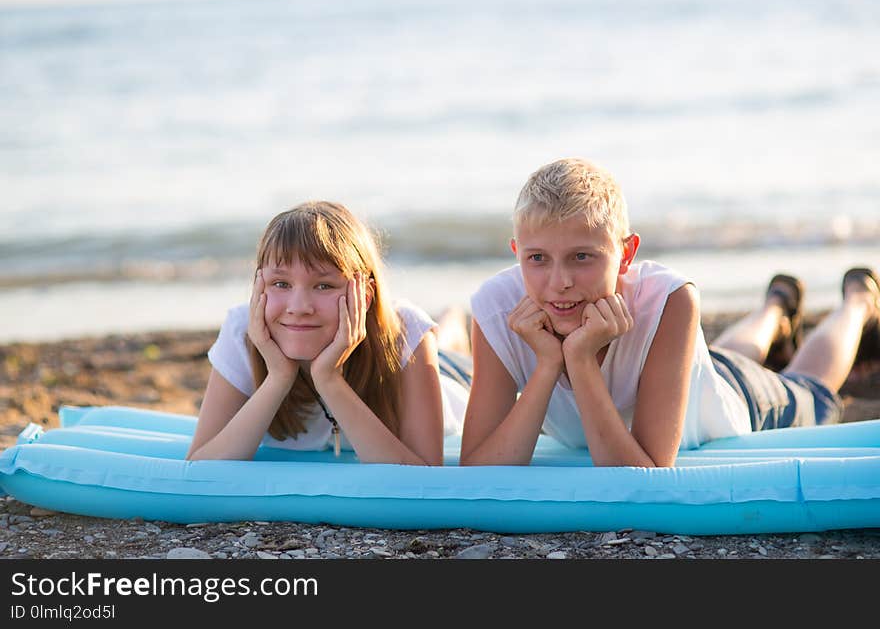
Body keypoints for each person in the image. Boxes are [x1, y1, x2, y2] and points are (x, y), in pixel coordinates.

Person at [459, 157, 879, 467]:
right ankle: (776, 305)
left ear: (626, 254)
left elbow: (645, 472)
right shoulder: (497, 310)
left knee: (808, 388)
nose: (559, 281)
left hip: (735, 399)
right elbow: (478, 467)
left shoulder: (669, 299)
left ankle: (858, 300)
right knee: (718, 355)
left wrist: (581, 362)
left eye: (582, 256)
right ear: (516, 254)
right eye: (537, 259)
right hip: (694, 371)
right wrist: (548, 364)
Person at [186, 201, 471, 465]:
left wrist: (329, 379)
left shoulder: (408, 333)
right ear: (258, 285)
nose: (299, 308)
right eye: (281, 284)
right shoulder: (242, 331)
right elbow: (200, 464)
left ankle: (453, 322)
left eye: (323, 286)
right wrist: (278, 378)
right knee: (446, 337)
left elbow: (423, 476)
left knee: (445, 344)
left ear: (365, 295)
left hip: (451, 377)